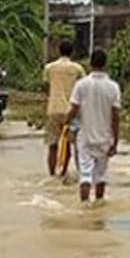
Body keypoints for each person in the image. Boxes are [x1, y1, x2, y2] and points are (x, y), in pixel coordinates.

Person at [64, 49, 121, 203]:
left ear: (90, 63)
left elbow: (74, 110)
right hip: (104, 138)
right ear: (106, 64)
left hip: (85, 137)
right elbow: (116, 117)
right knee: (101, 176)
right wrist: (115, 142)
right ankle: (99, 204)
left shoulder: (81, 85)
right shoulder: (113, 87)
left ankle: (84, 207)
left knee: (85, 175)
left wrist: (66, 122)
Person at [42, 39, 85, 179]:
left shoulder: (49, 68)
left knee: (52, 145)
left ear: (58, 51)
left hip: (53, 109)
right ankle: (63, 173)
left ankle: (52, 175)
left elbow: (46, 87)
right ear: (72, 52)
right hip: (71, 111)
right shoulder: (77, 69)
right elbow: (83, 89)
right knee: (66, 144)